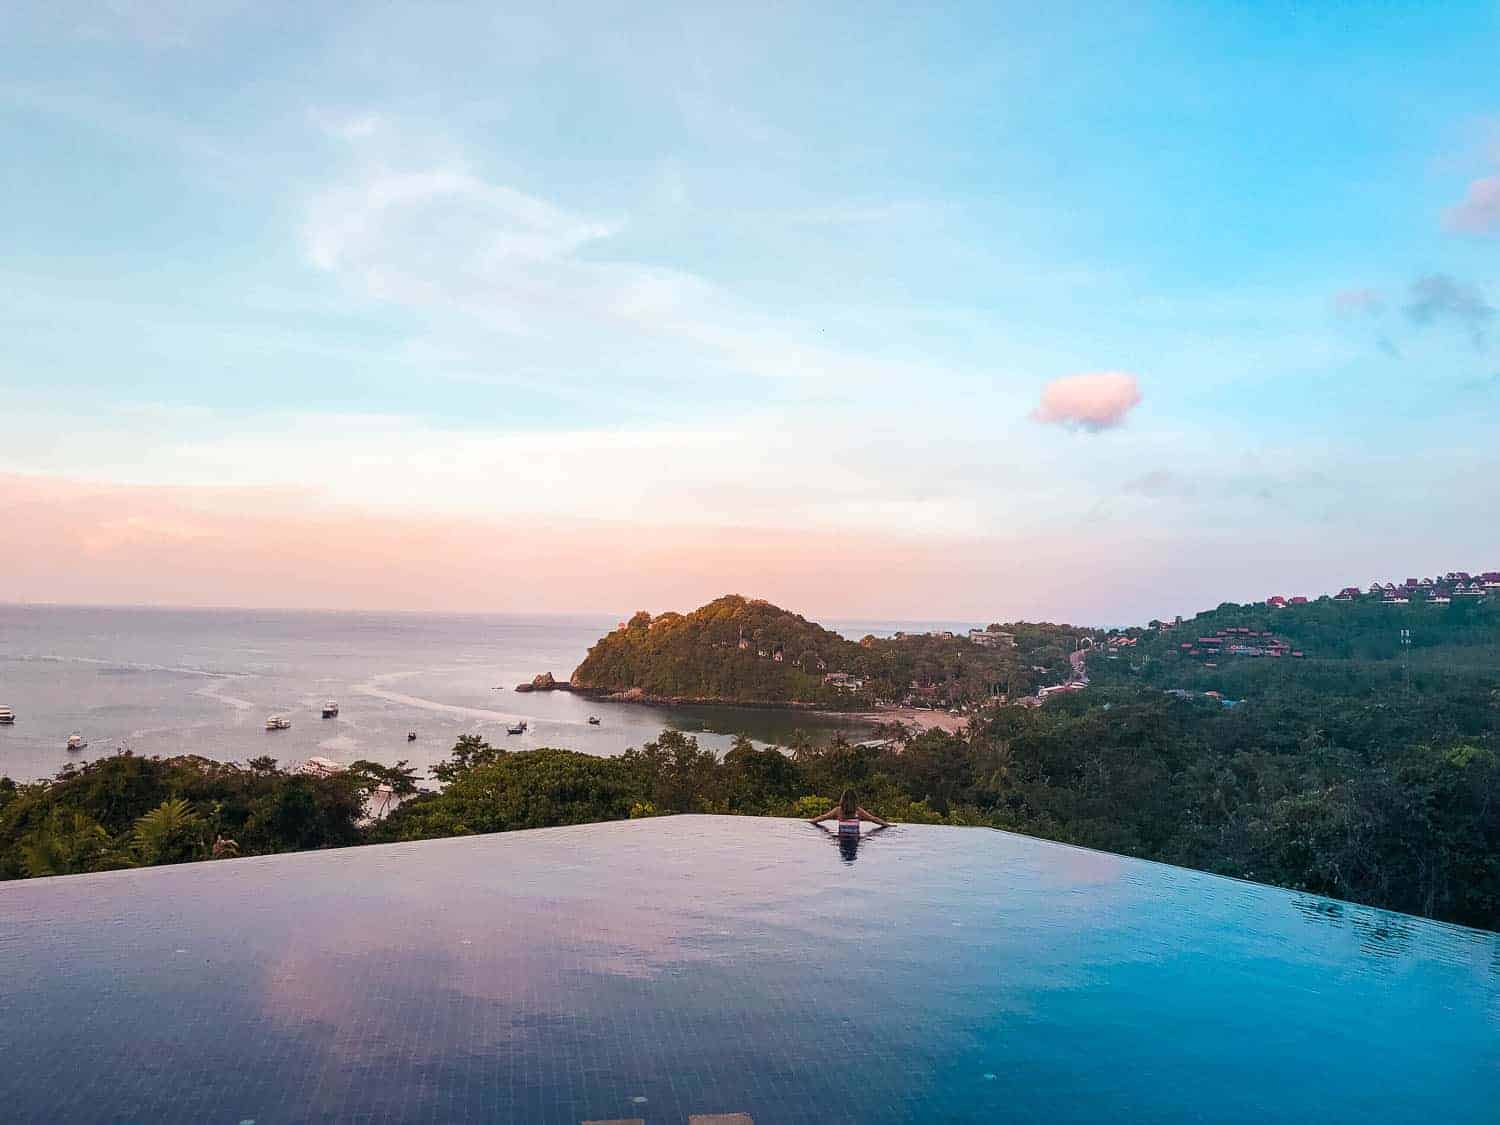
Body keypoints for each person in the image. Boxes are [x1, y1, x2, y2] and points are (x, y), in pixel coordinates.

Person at [809, 789, 891, 835]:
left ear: (842, 799)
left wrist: (811, 821)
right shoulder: (858, 811)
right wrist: (887, 825)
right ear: (855, 800)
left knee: (827, 833)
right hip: (855, 840)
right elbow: (873, 819)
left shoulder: (838, 811)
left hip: (842, 840)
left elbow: (823, 817)